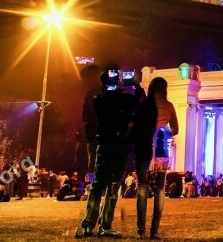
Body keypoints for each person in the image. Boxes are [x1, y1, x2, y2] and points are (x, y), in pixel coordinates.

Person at [75, 68, 144, 239]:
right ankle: (93, 225)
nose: (118, 79)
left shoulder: (112, 97)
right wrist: (131, 85)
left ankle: (100, 225)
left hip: (116, 145)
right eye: (114, 77)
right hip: (110, 145)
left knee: (110, 186)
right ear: (106, 82)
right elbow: (133, 101)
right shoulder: (101, 99)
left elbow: (138, 102)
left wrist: (131, 86)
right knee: (100, 186)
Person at [130, 76, 178, 240]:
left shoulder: (144, 105)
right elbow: (176, 129)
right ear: (165, 89)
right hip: (161, 152)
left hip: (143, 150)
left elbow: (135, 126)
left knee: (142, 190)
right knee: (159, 190)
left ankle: (140, 231)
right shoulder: (169, 106)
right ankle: (154, 231)